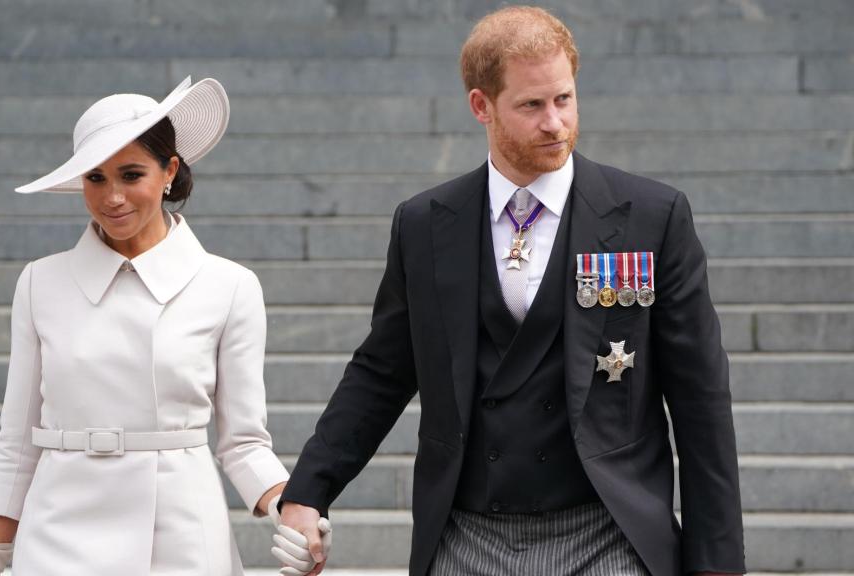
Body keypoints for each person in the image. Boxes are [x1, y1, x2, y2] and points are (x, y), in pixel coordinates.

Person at [276, 6, 745, 576]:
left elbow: (700, 395)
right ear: (482, 106)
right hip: (465, 533)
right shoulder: (425, 223)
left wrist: (716, 561)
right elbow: (382, 370)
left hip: (609, 532)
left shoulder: (652, 215)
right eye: (532, 105)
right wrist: (308, 490)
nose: (555, 123)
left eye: (564, 99)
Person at [0, 77, 291, 575]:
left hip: (180, 534)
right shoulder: (40, 283)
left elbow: (244, 443)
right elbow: (17, 438)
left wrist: (295, 511)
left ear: (169, 172)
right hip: (58, 531)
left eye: (131, 174)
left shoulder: (229, 286)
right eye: (95, 178)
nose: (112, 196)